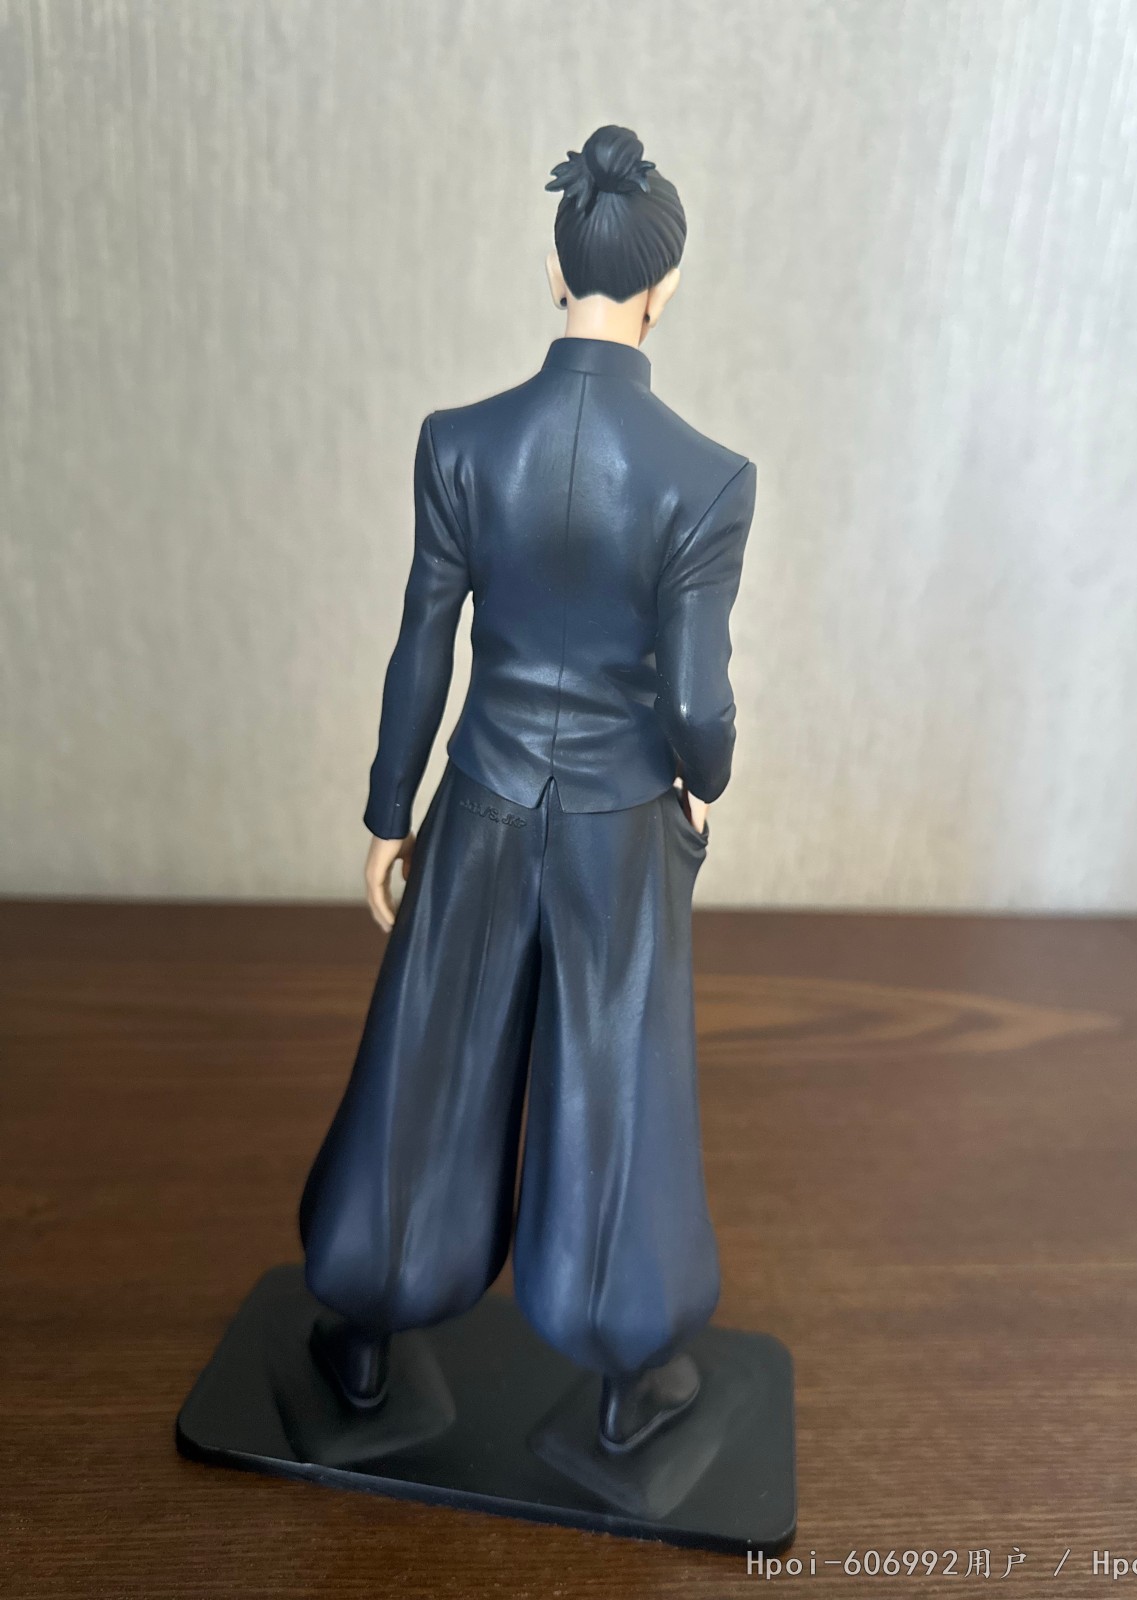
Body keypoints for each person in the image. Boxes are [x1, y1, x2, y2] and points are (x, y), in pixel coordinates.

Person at [297, 124, 757, 1455]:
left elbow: (420, 650)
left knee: (426, 1059)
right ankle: (626, 1375)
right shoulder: (706, 479)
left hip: (485, 798)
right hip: (621, 820)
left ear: (555, 273)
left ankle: (366, 1330)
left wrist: (390, 815)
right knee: (616, 1084)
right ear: (665, 290)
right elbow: (697, 699)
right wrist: (705, 785)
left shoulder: (461, 444)